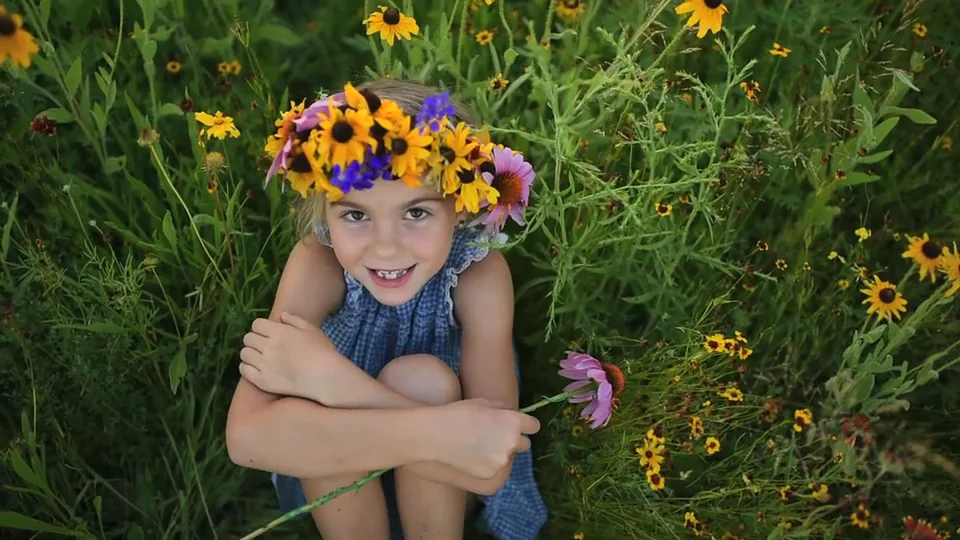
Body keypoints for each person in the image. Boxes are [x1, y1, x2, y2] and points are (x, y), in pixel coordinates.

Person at [225, 78, 548, 540]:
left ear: (459, 206)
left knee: (422, 379)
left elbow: (488, 467)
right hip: (338, 484)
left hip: (446, 490)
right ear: (325, 210)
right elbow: (246, 439)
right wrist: (440, 432)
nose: (386, 247)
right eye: (355, 215)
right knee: (323, 415)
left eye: (416, 213)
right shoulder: (318, 264)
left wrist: (333, 382)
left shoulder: (479, 275)